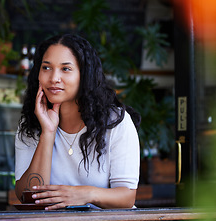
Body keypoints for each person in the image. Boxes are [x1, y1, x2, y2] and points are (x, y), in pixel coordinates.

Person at [14, 34, 141, 210]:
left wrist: (86, 194)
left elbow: (127, 197)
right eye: (46, 68)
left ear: (85, 75)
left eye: (65, 69)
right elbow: (28, 196)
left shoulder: (115, 121)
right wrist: (48, 133)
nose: (54, 78)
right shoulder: (31, 123)